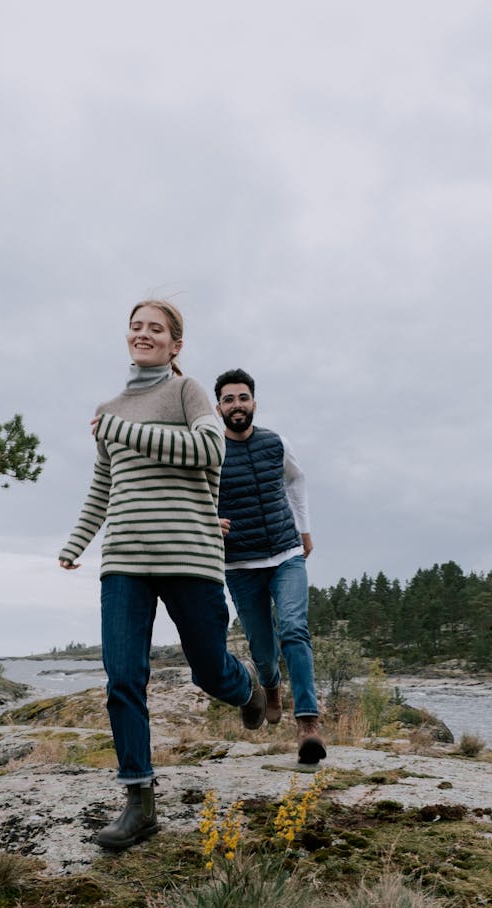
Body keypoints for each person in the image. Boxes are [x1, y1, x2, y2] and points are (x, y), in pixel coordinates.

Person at [59, 302, 266, 852]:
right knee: (123, 677)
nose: (143, 334)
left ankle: (247, 688)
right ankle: (139, 800)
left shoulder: (187, 393)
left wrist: (125, 429)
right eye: (136, 326)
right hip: (124, 560)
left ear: (175, 345)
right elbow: (103, 487)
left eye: (157, 328)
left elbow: (208, 447)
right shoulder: (108, 409)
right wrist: (76, 543)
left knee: (209, 673)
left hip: (190, 556)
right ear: (127, 338)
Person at [214, 368, 326, 765]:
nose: (237, 405)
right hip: (241, 563)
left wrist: (304, 530)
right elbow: (194, 494)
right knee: (262, 648)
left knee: (295, 629)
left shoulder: (276, 442)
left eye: (243, 398)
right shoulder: (211, 449)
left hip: (285, 553)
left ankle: (308, 723)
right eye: (229, 400)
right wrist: (211, 519)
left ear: (254, 403)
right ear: (219, 407)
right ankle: (270, 684)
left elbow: (296, 482)